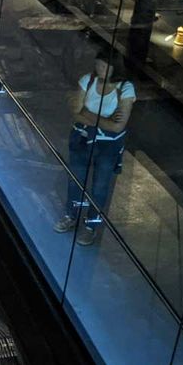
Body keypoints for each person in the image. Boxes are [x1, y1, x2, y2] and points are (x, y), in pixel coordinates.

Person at [54, 47, 136, 246]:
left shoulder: (125, 88)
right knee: (76, 180)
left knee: (100, 186)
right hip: (82, 139)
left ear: (114, 67)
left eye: (104, 66)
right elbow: (75, 112)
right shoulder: (87, 80)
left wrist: (88, 115)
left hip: (106, 146)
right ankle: (70, 215)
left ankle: (91, 226)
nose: (99, 69)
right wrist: (103, 119)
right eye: (98, 65)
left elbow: (118, 127)